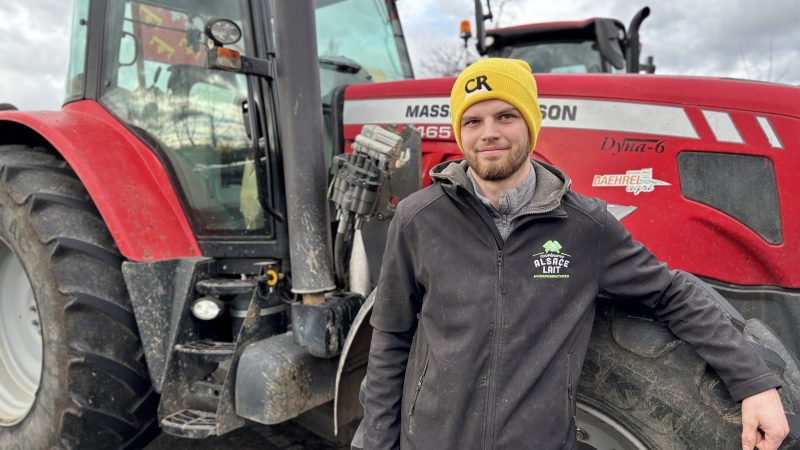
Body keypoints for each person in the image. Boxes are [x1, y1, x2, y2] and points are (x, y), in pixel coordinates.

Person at [361, 58, 790, 450]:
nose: (488, 132)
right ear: (460, 132)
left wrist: (753, 381)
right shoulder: (419, 218)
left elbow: (671, 294)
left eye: (505, 116)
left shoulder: (586, 227)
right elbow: (391, 336)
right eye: (472, 120)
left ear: (530, 122)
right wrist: (375, 443)